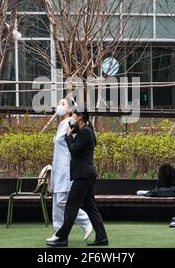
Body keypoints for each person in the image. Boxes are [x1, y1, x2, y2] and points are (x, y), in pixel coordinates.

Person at [46, 109, 108, 247]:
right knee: (91, 207)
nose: (72, 118)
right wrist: (71, 131)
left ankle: (62, 238)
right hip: (86, 175)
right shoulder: (84, 130)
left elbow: (74, 151)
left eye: (74, 115)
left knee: (70, 207)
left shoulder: (85, 131)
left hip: (83, 176)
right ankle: (102, 237)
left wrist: (68, 136)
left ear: (80, 117)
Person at [46, 99, 93, 243]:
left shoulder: (71, 124)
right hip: (58, 168)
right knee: (57, 201)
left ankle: (85, 222)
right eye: (59, 103)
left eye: (64, 104)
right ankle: (59, 233)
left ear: (70, 109)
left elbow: (75, 145)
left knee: (63, 201)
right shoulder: (61, 124)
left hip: (66, 168)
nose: (60, 106)